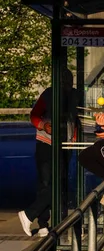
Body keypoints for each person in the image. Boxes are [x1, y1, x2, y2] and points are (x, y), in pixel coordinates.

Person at [18, 69, 78, 238]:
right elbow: (34, 115)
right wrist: (44, 125)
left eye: (69, 81)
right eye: (64, 81)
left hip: (65, 144)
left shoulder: (74, 95)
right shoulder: (49, 94)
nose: (67, 84)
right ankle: (39, 220)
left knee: (59, 182)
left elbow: (76, 117)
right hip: (46, 142)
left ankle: (37, 217)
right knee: (46, 182)